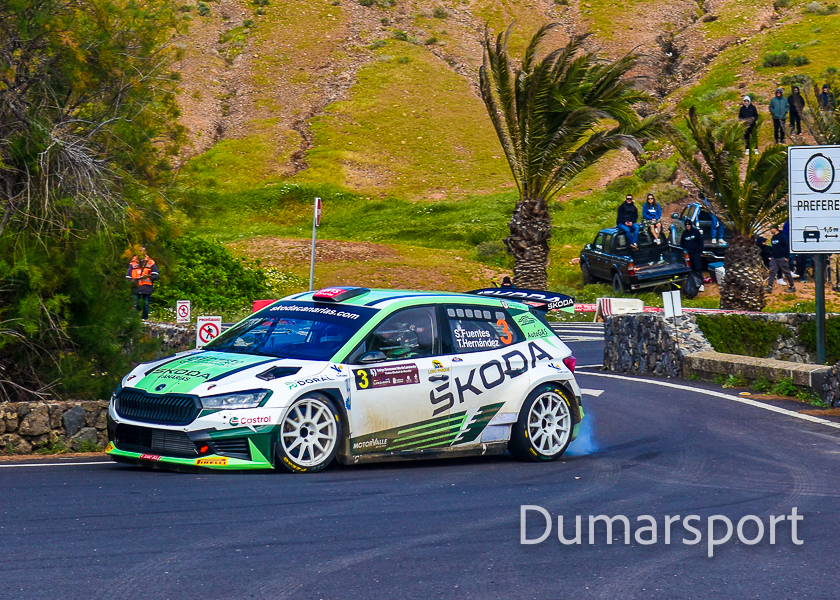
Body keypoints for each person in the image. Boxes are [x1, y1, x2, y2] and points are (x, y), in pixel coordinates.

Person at [126, 246, 159, 320]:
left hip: (146, 286)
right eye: (140, 251)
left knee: (145, 304)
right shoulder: (133, 263)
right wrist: (131, 281)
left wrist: (151, 277)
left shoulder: (150, 262)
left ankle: (145, 318)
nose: (141, 253)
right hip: (136, 286)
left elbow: (156, 274)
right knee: (135, 304)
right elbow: (128, 276)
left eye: (143, 251)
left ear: (145, 252)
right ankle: (134, 319)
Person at [765, 225, 795, 293]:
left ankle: (792, 286)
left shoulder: (782, 236)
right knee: (772, 271)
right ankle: (770, 286)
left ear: (775, 229)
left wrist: (786, 256)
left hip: (782, 257)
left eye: (771, 229)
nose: (770, 230)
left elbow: (787, 246)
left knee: (786, 272)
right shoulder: (773, 237)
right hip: (774, 258)